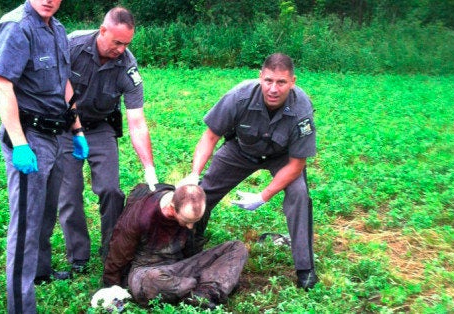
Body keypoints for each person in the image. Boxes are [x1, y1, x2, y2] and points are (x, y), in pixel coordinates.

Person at [178, 53, 318, 290]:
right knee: (202, 191)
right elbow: (210, 136)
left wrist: (263, 196)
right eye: (269, 80)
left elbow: (296, 164)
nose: (273, 88)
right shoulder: (239, 96)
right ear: (260, 77)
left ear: (292, 81)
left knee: (299, 195)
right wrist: (194, 174)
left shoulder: (302, 110)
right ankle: (189, 244)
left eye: (281, 82)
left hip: (282, 157)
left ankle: (305, 268)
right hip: (241, 150)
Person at [0, 0, 89, 312]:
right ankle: (21, 307)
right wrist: (19, 143)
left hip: (57, 134)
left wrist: (77, 130)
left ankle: (40, 272)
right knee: (26, 225)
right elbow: (3, 85)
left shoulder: (58, 29)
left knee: (47, 211)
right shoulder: (16, 26)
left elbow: (64, 84)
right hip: (29, 137)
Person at [58, 6, 157, 271]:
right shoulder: (72, 45)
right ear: (102, 30)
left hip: (101, 126)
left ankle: (111, 249)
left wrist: (149, 169)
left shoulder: (128, 66)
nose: (121, 49)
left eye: (126, 44)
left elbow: (137, 121)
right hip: (67, 126)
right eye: (116, 42)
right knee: (69, 193)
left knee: (111, 190)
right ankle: (78, 256)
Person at [103, 183, 248, 309]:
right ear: (171, 208)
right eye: (186, 221)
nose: (191, 226)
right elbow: (118, 253)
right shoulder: (141, 216)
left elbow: (194, 248)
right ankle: (207, 288)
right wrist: (112, 287)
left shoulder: (195, 211)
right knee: (152, 280)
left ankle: (200, 292)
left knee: (237, 247)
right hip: (146, 270)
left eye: (194, 221)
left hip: (181, 266)